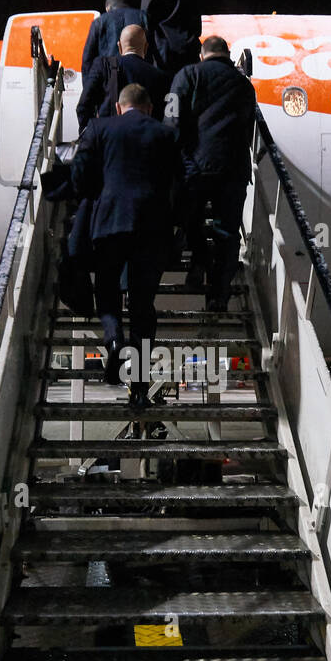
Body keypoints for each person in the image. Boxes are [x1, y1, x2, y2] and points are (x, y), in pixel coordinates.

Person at [71, 82, 182, 409]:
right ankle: (139, 390)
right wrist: (176, 223)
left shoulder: (100, 127)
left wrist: (98, 194)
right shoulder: (165, 134)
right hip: (153, 227)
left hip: (111, 222)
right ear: (149, 107)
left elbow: (79, 175)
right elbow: (180, 182)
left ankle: (114, 339)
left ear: (119, 107)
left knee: (106, 291)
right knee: (143, 307)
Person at [168, 35, 256, 310]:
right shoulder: (244, 85)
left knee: (188, 220)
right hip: (233, 168)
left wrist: (177, 158)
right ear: (228, 55)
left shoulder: (188, 74)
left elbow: (172, 116)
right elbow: (248, 126)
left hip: (195, 167)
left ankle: (199, 262)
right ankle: (219, 293)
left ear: (202, 55)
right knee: (227, 232)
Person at [76, 24, 168, 131]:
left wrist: (90, 135)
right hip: (145, 140)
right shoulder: (159, 76)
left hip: (109, 139)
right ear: (146, 47)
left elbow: (83, 106)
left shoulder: (103, 65)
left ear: (119, 46)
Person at [140, 0, 202, 77]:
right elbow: (197, 28)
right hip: (189, 54)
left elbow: (145, 25)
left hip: (163, 57)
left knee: (168, 93)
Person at [81, 0, 147, 79]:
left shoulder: (100, 21)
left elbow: (88, 56)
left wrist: (87, 84)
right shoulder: (142, 16)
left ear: (108, 8)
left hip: (110, 77)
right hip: (139, 74)